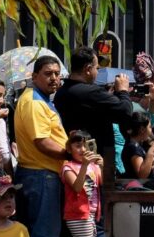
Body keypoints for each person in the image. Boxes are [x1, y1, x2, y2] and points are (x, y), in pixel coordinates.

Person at [12, 56, 71, 237]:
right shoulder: (35, 102)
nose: (54, 78)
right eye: (48, 73)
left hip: (35, 175)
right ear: (34, 76)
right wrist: (70, 155)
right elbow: (42, 141)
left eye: (57, 73)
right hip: (41, 176)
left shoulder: (42, 100)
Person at [52, 46, 133, 177]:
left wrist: (109, 97)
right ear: (88, 69)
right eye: (97, 68)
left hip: (75, 162)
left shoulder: (61, 92)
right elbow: (125, 112)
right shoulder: (90, 92)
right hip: (95, 162)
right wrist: (123, 91)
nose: (97, 72)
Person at [121, 111, 154, 180]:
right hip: (138, 189)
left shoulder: (136, 145)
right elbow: (142, 175)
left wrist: (150, 161)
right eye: (150, 127)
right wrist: (151, 152)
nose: (151, 131)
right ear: (142, 129)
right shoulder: (133, 147)